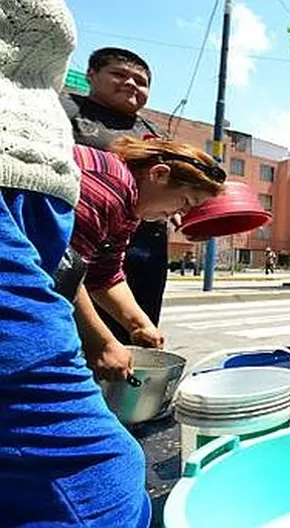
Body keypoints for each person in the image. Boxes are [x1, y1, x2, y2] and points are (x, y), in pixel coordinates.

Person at [0, 2, 150, 525]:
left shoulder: (129, 187)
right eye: (181, 205)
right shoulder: (102, 179)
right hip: (27, 208)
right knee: (101, 478)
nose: (179, 218)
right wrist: (103, 339)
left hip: (43, 217)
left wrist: (133, 323)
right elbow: (69, 273)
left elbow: (102, 268)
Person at [71, 138, 225, 381]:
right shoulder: (109, 187)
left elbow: (104, 274)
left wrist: (139, 324)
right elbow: (60, 269)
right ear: (159, 174)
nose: (181, 214)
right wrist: (100, 342)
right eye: (185, 202)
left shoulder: (130, 206)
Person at [61, 47, 171, 352]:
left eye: (141, 80)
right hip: (79, 235)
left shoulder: (154, 131)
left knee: (139, 323)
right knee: (77, 323)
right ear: (91, 75)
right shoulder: (65, 109)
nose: (132, 84)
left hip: (145, 245)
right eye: (120, 75)